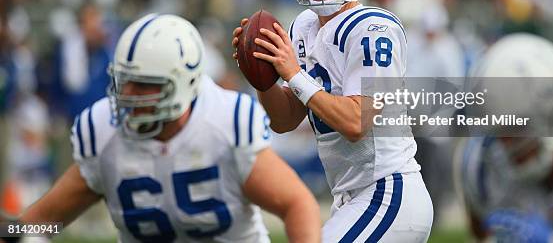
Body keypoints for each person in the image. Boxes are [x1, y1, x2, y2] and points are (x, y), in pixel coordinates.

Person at [3, 14, 320, 243]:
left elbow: (296, 204)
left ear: (185, 84)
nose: (130, 95)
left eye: (145, 85)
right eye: (125, 82)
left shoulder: (226, 122)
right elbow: (40, 225)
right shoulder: (103, 131)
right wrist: (9, 232)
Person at [233, 0, 433, 242]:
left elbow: (357, 121)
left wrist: (293, 73)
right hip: (351, 197)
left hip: (387, 191)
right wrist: (263, 76)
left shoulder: (373, 27)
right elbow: (284, 120)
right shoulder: (304, 27)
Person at [455, 33, 553, 242]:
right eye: (498, 131)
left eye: (514, 129)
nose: (502, 144)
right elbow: (480, 234)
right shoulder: (482, 169)